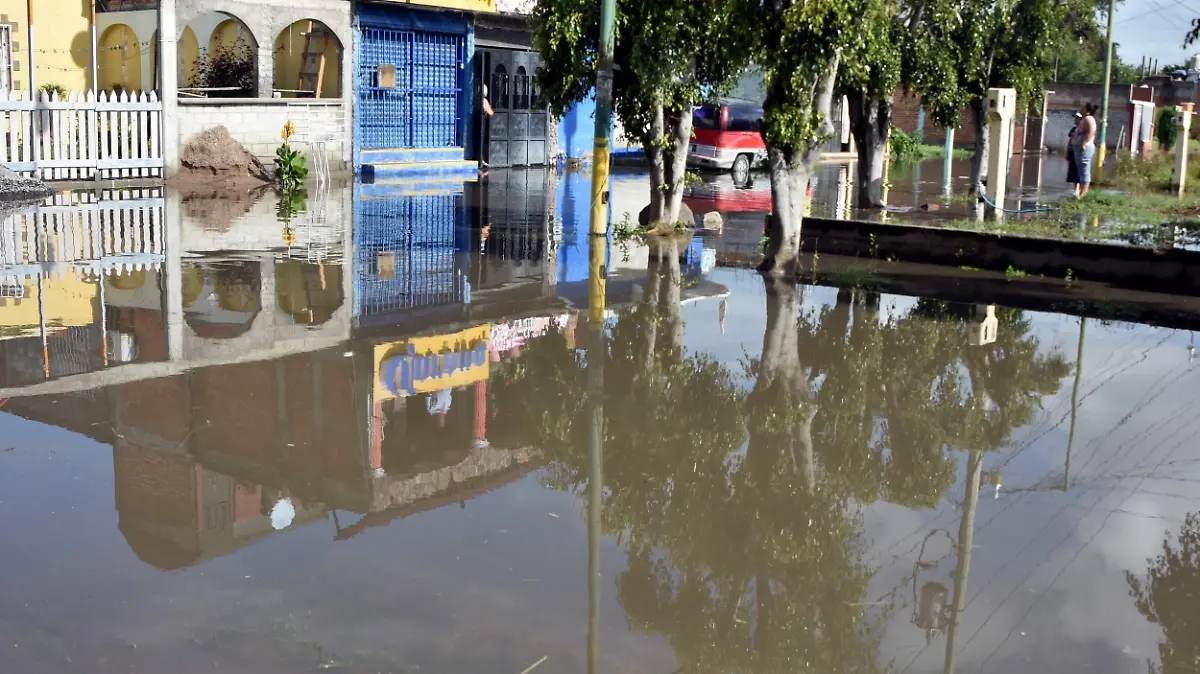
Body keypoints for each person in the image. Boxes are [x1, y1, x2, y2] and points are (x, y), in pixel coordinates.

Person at [1073, 103, 1098, 198]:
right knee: (1080, 170)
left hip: (1085, 147)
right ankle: (1080, 192)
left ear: (1087, 111)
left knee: (1084, 169)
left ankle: (1084, 194)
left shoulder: (1089, 118)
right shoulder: (1084, 119)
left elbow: (1092, 131)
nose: (1081, 108)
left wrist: (1084, 142)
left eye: (1083, 107)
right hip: (1079, 147)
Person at [1066, 112, 1081, 187]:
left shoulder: (1082, 129)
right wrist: (1068, 152)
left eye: (1077, 118)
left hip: (1078, 152)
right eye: (1075, 118)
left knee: (1078, 171)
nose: (1075, 120)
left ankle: (1078, 189)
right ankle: (1075, 189)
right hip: (1072, 151)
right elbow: (1070, 140)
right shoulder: (1073, 129)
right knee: (1073, 172)